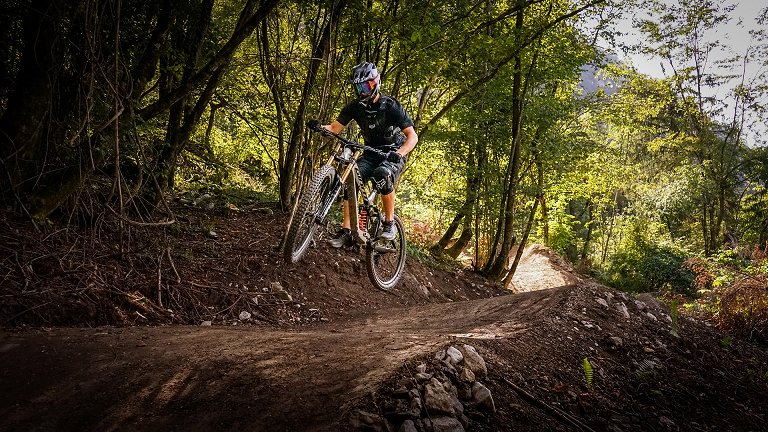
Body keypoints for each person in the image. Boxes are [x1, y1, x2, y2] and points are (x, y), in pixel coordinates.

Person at [316, 62, 418, 247]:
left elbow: (412, 136)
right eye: (358, 87)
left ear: (376, 82)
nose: (362, 91)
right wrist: (319, 127)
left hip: (391, 154)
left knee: (382, 175)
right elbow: (334, 128)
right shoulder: (355, 107)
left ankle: (389, 223)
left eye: (366, 86)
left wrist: (400, 152)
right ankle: (347, 230)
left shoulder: (391, 106)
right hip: (370, 153)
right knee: (352, 180)